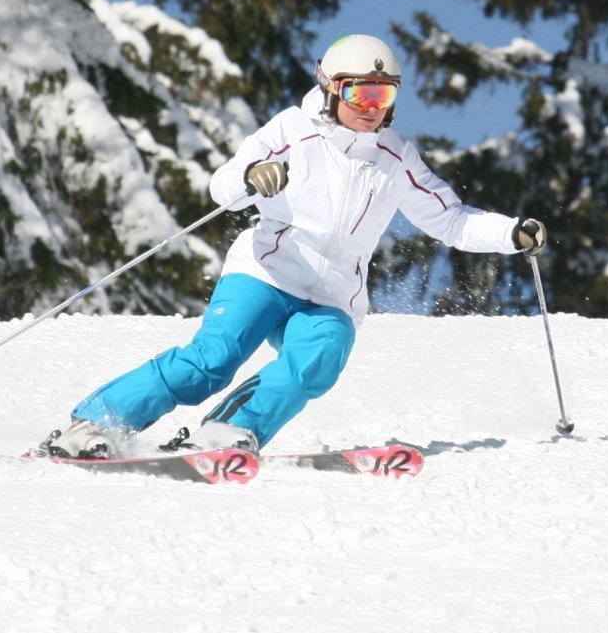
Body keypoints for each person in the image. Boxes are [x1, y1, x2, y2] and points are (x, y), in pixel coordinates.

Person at [43, 34, 548, 457]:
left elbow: (452, 221)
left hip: (333, 294)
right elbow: (223, 187)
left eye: (384, 97)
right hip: (266, 272)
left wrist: (510, 232)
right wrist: (252, 177)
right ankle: (95, 425)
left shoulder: (396, 157)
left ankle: (224, 431)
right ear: (330, 90)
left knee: (318, 360)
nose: (372, 110)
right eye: (360, 95)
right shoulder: (292, 130)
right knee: (212, 360)